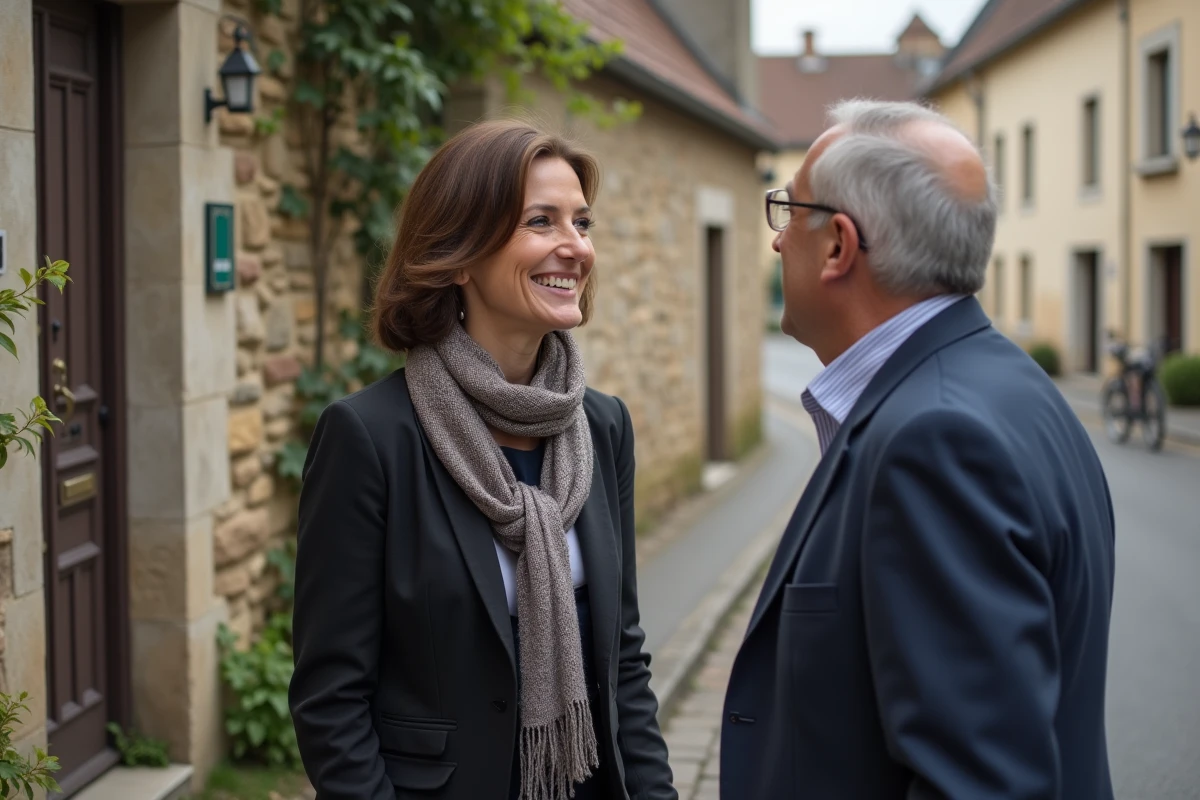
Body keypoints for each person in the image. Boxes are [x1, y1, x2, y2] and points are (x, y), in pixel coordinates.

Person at [721, 100, 1116, 799]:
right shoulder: (1016, 389)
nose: (778, 243)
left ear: (840, 245)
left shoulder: (934, 442)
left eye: (789, 212)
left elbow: (978, 781)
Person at [289, 119, 676, 800]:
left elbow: (624, 660)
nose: (575, 247)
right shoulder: (371, 438)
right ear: (461, 254)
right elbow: (331, 697)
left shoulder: (603, 426)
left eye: (582, 224)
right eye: (541, 222)